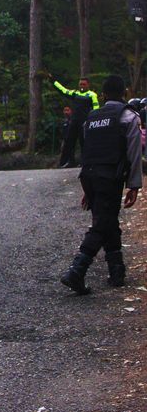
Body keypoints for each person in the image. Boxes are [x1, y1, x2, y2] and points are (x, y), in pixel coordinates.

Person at [61, 75, 143, 295]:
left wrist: (87, 189)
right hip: (109, 177)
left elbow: (87, 151)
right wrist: (134, 185)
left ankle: (117, 272)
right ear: (124, 92)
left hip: (89, 175)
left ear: (103, 95)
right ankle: (77, 270)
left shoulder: (92, 117)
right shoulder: (128, 116)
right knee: (102, 223)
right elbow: (134, 153)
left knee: (107, 220)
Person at [49, 75, 100, 168]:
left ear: (88, 85)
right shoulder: (75, 93)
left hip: (84, 122)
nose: (82, 86)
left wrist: (93, 120)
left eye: (84, 84)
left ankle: (85, 162)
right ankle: (70, 161)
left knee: (83, 142)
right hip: (74, 121)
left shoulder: (92, 95)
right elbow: (63, 90)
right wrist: (53, 80)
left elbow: (96, 108)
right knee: (69, 141)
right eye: (80, 84)